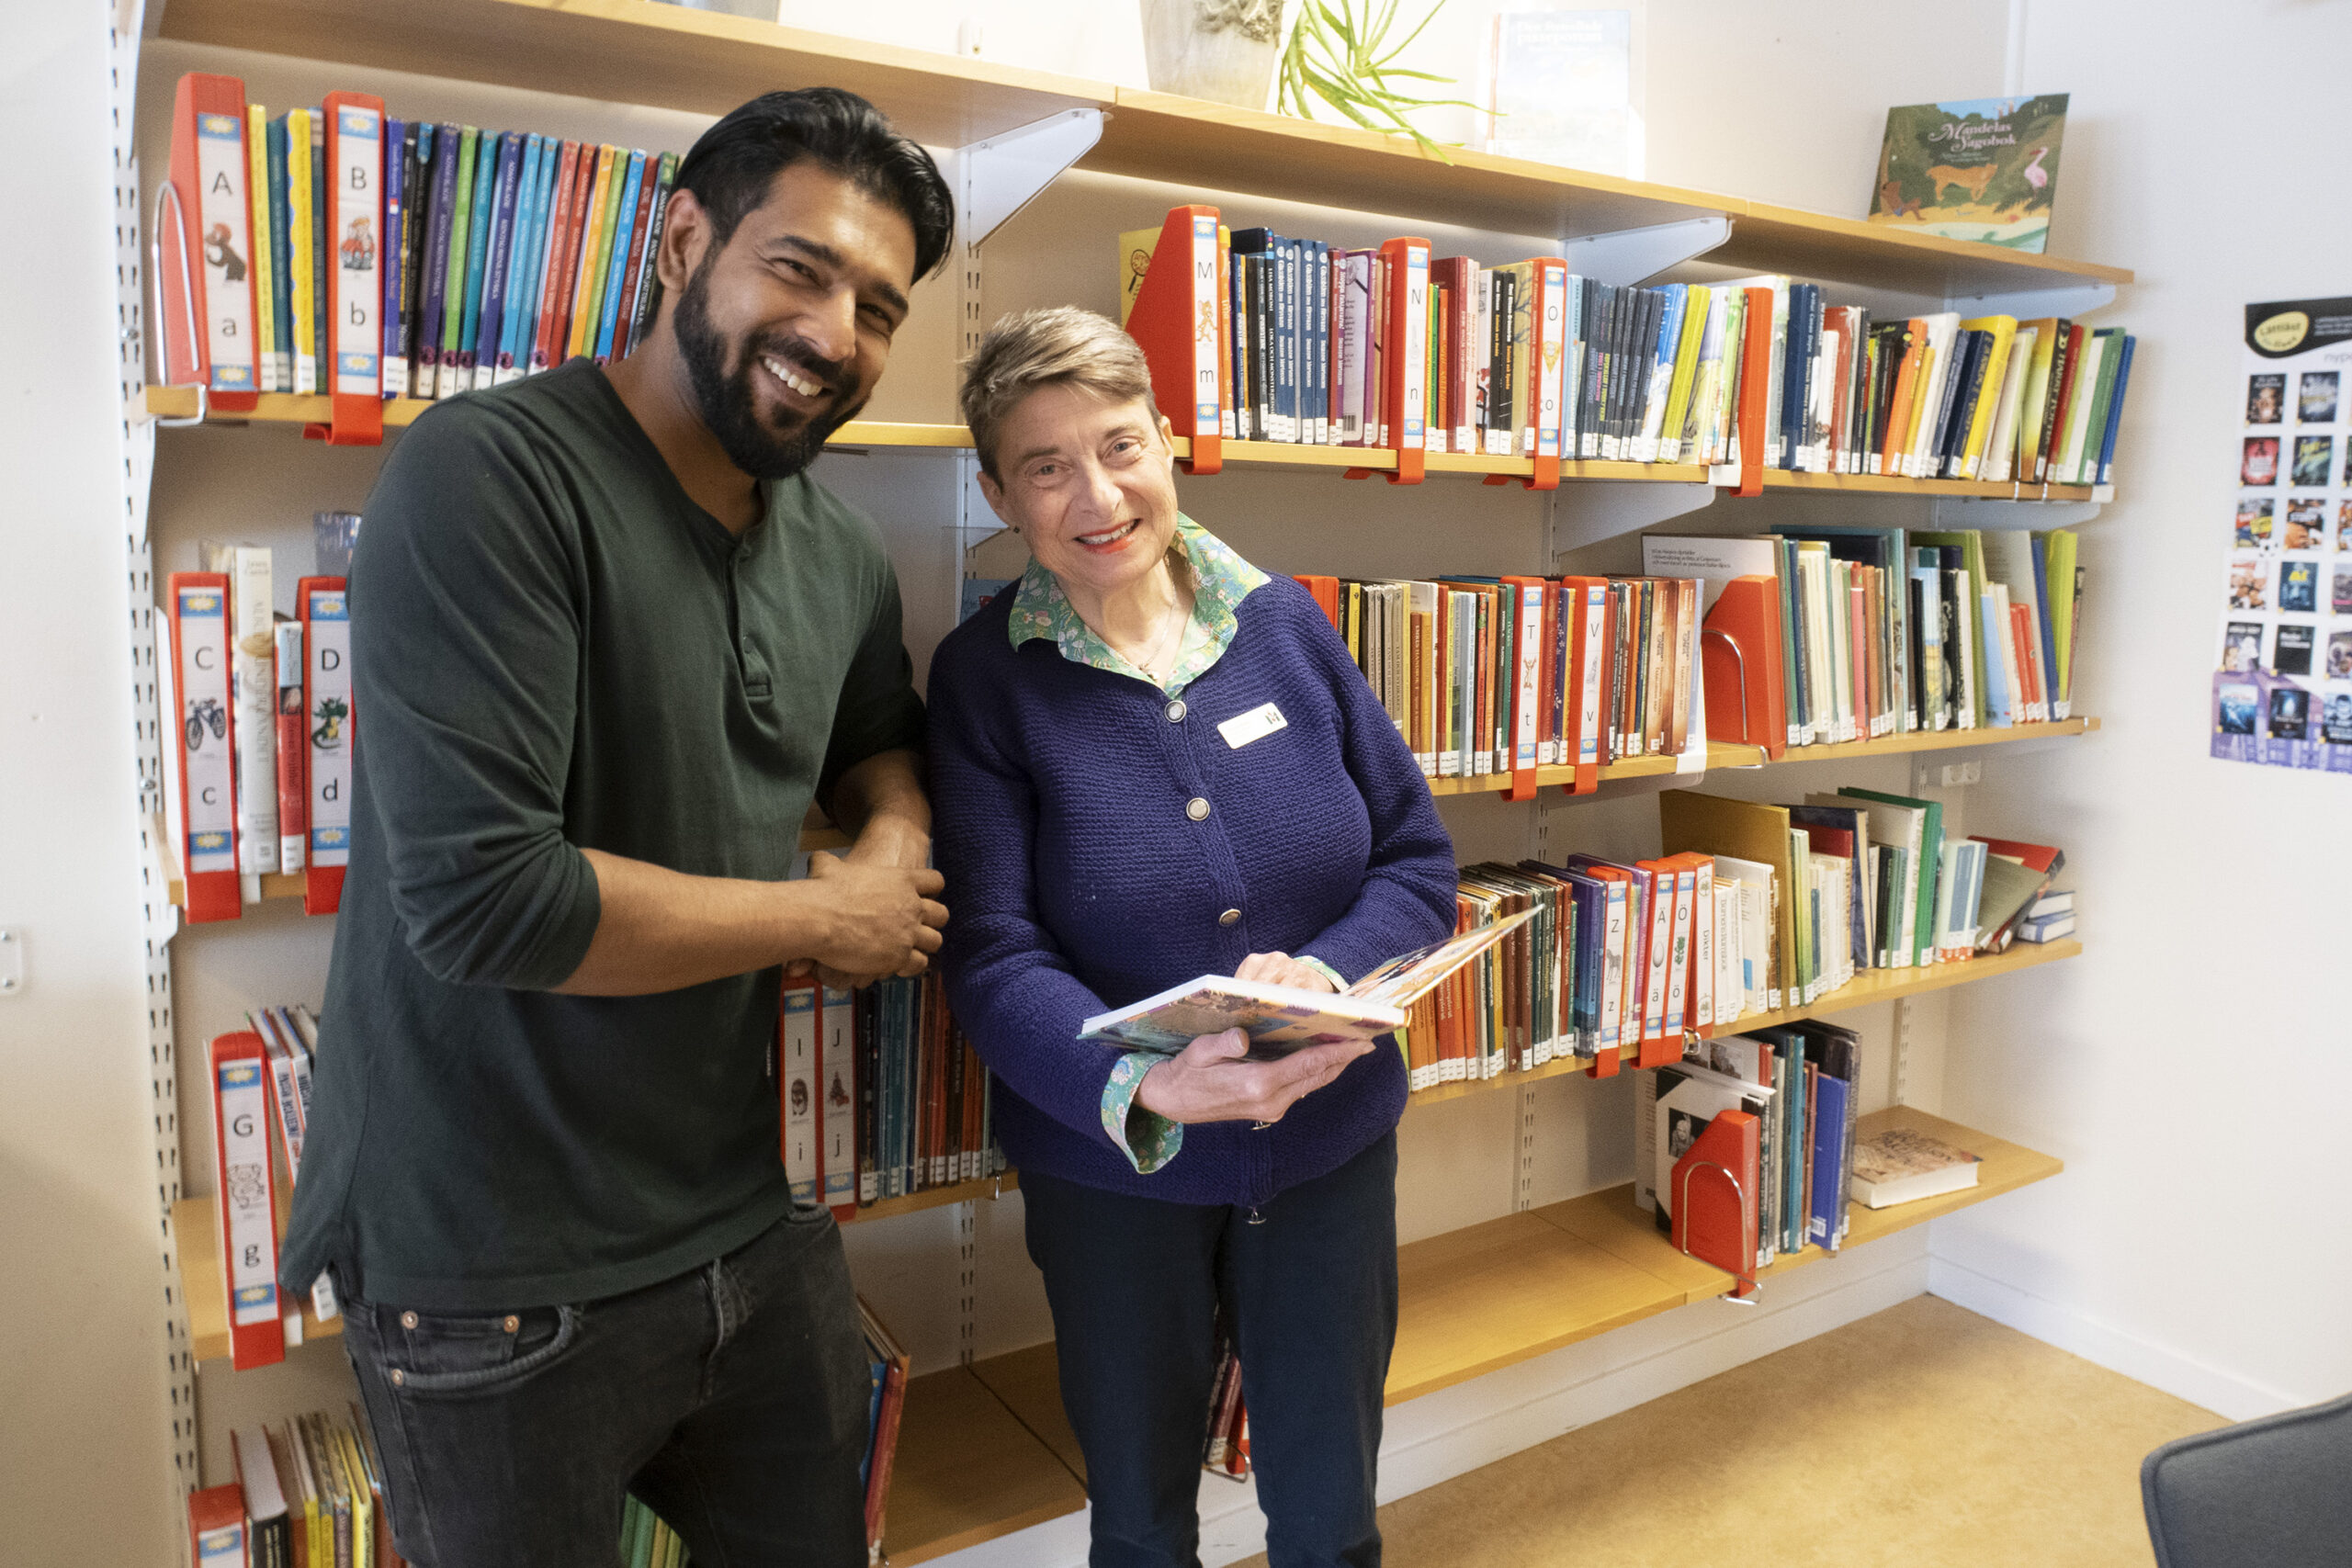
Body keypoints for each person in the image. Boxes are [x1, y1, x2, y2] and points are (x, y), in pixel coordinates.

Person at [278, 89, 955, 1568]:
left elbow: (878, 742)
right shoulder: (489, 475)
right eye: (800, 267)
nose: (836, 332)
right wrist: (827, 920)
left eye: (878, 306)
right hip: (489, 1272)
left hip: (739, 1221)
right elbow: (488, 903)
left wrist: (893, 839)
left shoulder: (833, 545)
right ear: (681, 238)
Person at [927, 306, 1457, 1568]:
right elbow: (991, 955)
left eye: (1120, 446)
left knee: (1332, 1520)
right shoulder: (982, 679)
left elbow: (1416, 862)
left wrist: (1323, 972)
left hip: (1330, 1147)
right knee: (1143, 1522)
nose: (1097, 495)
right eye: (1046, 467)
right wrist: (1146, 1081)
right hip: (1117, 1173)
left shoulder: (1285, 624)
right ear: (1000, 492)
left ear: (1169, 443)